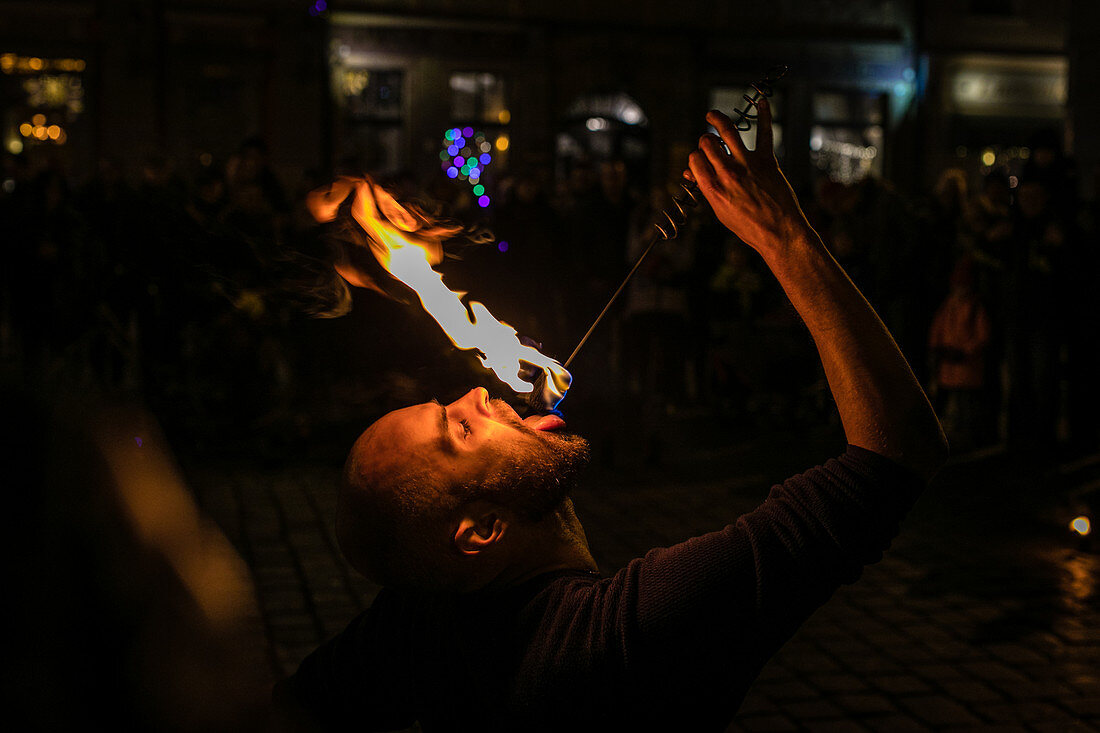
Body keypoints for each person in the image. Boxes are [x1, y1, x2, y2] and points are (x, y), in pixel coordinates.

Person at [274, 101, 948, 731]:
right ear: (480, 530)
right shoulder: (625, 636)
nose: (480, 394)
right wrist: (786, 237)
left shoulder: (417, 623)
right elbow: (893, 456)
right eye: (458, 429)